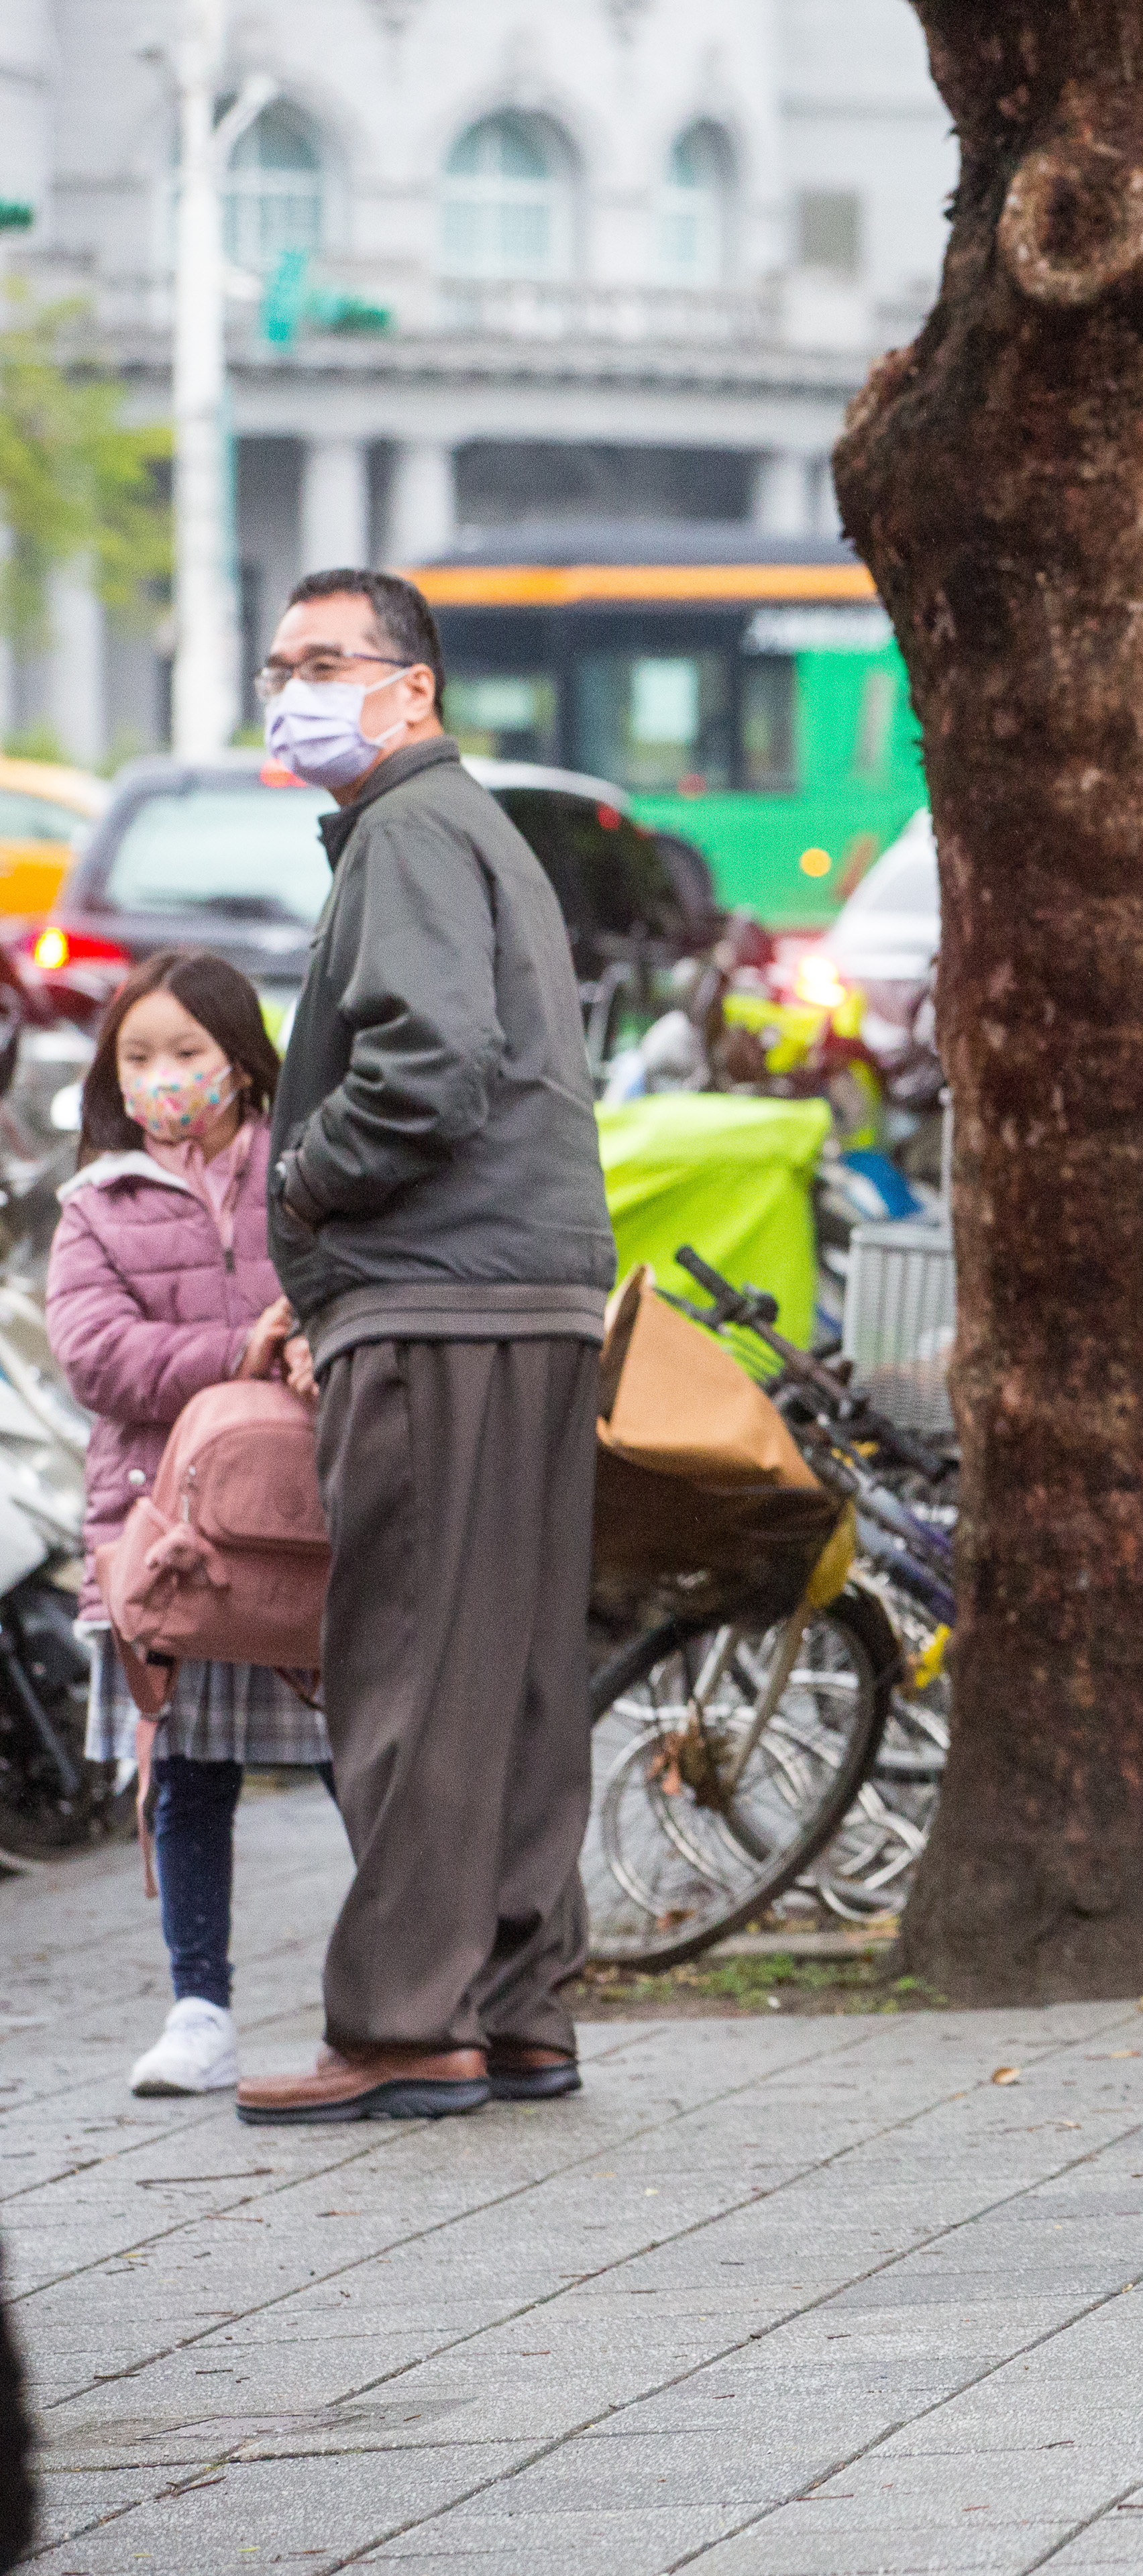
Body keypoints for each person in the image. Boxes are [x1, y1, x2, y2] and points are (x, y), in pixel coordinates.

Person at [235, 566, 618, 2127]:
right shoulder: (470, 831)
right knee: (514, 1675)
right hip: (522, 1293)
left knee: (405, 1669)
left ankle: (402, 2023)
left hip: (438, 1298)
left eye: (324, 659)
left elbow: (429, 1065)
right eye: (278, 661)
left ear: (416, 685)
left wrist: (303, 1192)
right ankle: (519, 2007)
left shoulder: (403, 830)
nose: (291, 687)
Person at [44, 953, 318, 2098]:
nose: (164, 1078)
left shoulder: (305, 1182)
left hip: (308, 1528)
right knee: (190, 1772)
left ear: (243, 1062)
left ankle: (410, 1984)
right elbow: (95, 1355)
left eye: (188, 1053)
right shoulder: (95, 1205)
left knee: (367, 1763)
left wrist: (307, 1339)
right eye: (139, 1057)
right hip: (169, 1544)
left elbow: (350, 1293)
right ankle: (198, 2007)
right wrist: (237, 1353)